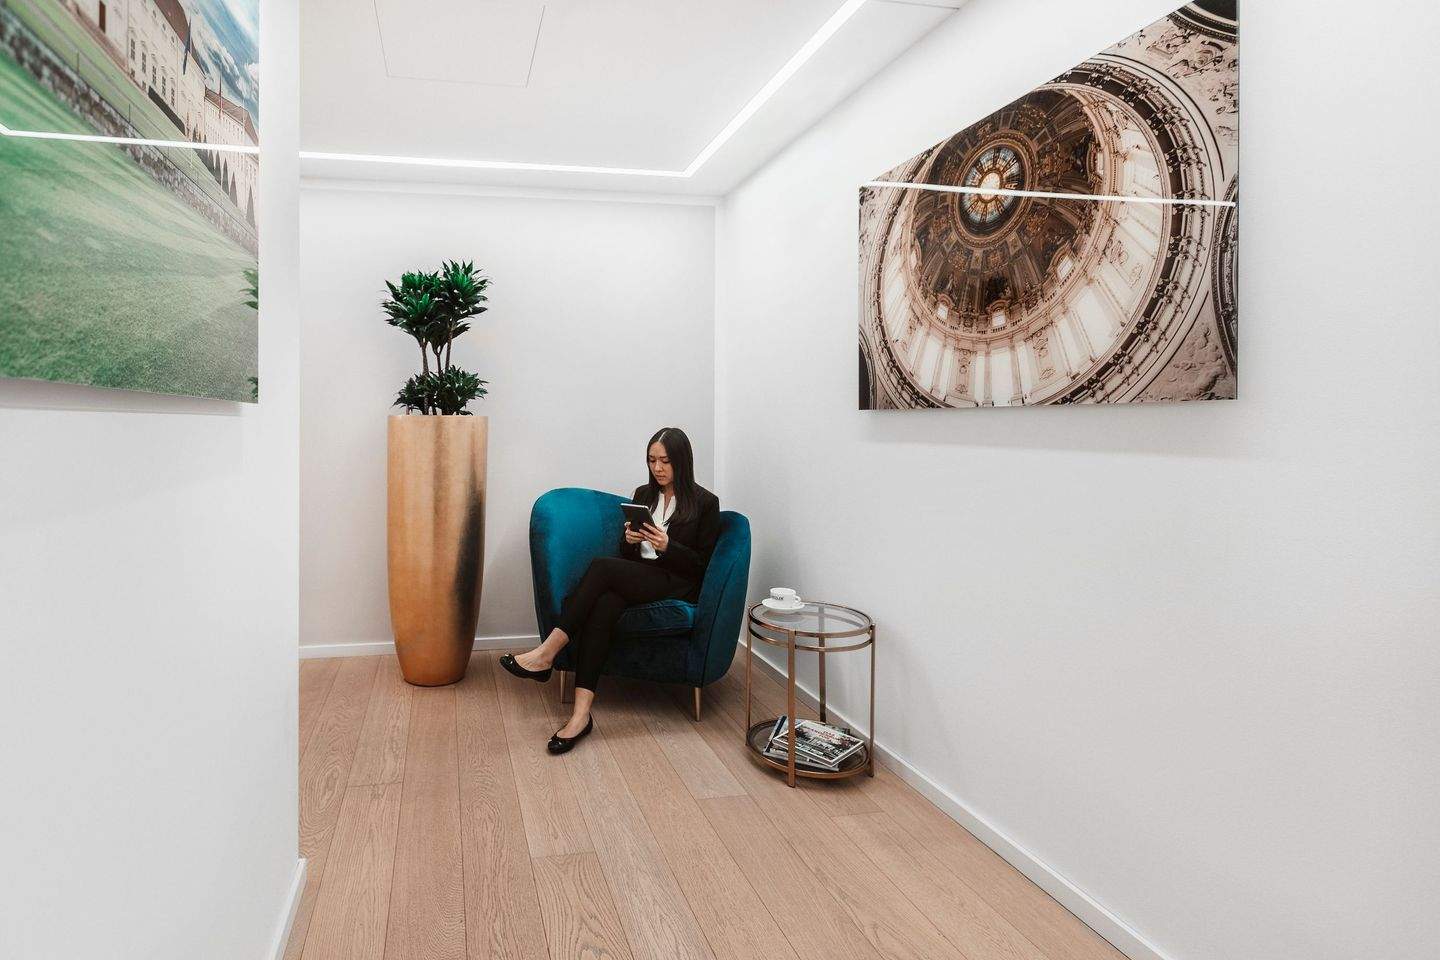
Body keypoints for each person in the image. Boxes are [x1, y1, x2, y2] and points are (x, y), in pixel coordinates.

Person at [499, 426, 721, 753]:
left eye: (665, 461)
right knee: (604, 605)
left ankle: (547, 653)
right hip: (643, 575)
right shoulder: (643, 494)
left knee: (602, 568)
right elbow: (627, 554)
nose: (657, 468)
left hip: (676, 581)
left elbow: (702, 566)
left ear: (682, 461)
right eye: (652, 460)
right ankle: (580, 716)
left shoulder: (705, 503)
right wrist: (630, 540)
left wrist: (668, 546)